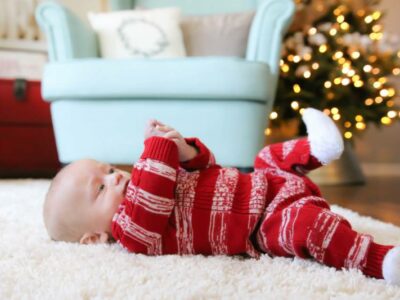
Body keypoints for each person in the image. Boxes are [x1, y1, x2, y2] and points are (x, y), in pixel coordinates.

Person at [43, 108, 400, 285]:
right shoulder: (134, 233)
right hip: (266, 223)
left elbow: (207, 168)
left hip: (262, 183)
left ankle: (318, 150)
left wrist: (184, 150)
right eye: (101, 188)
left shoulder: (151, 178)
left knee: (267, 158)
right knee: (307, 230)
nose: (115, 177)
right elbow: (153, 190)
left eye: (107, 169)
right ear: (93, 238)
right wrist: (157, 145)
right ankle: (379, 260)